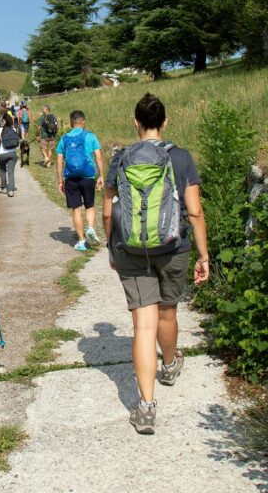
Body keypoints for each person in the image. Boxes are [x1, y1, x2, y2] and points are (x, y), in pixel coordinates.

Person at [102, 93, 210, 435]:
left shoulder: (121, 159)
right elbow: (194, 211)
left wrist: (111, 248)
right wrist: (204, 255)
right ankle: (168, 365)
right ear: (165, 122)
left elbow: (108, 210)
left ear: (136, 123)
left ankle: (146, 408)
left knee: (142, 327)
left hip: (131, 250)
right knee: (168, 312)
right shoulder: (180, 157)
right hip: (173, 247)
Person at [55, 110, 104, 252]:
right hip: (88, 177)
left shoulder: (64, 139)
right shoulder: (90, 136)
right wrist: (101, 175)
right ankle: (91, 228)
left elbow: (59, 162)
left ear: (71, 123)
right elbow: (98, 157)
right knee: (89, 206)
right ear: (84, 122)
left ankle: (82, 241)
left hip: (71, 178)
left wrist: (60, 181)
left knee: (76, 209)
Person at [0, 112, 20, 197]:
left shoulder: (1, 130)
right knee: (11, 172)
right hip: (13, 154)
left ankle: (4, 188)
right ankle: (11, 190)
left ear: (4, 121)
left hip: (2, 154)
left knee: (3, 170)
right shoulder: (14, 129)